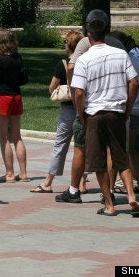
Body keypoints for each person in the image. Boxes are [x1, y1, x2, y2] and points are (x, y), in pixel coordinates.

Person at [71, 9, 139, 217]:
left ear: (88, 34)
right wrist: (128, 107)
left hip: (94, 114)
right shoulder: (121, 54)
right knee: (121, 156)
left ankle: (110, 205)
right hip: (117, 112)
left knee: (98, 161)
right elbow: (134, 82)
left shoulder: (84, 59)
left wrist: (81, 113)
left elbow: (78, 92)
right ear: (106, 33)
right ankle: (131, 195)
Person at [31, 31, 86, 194]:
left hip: (68, 109)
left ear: (69, 45)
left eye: (65, 42)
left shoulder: (63, 64)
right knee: (83, 146)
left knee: (60, 144)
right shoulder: (86, 62)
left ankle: (48, 182)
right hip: (84, 107)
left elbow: (51, 88)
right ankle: (82, 183)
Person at [109, 31, 139, 195]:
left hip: (126, 109)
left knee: (122, 148)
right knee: (134, 149)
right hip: (137, 109)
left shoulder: (125, 61)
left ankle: (122, 182)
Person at [0, 30, 28, 183]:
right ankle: (24, 173)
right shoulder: (18, 58)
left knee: (4, 137)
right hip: (16, 96)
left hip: (2, 97)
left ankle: (10, 173)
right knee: (17, 137)